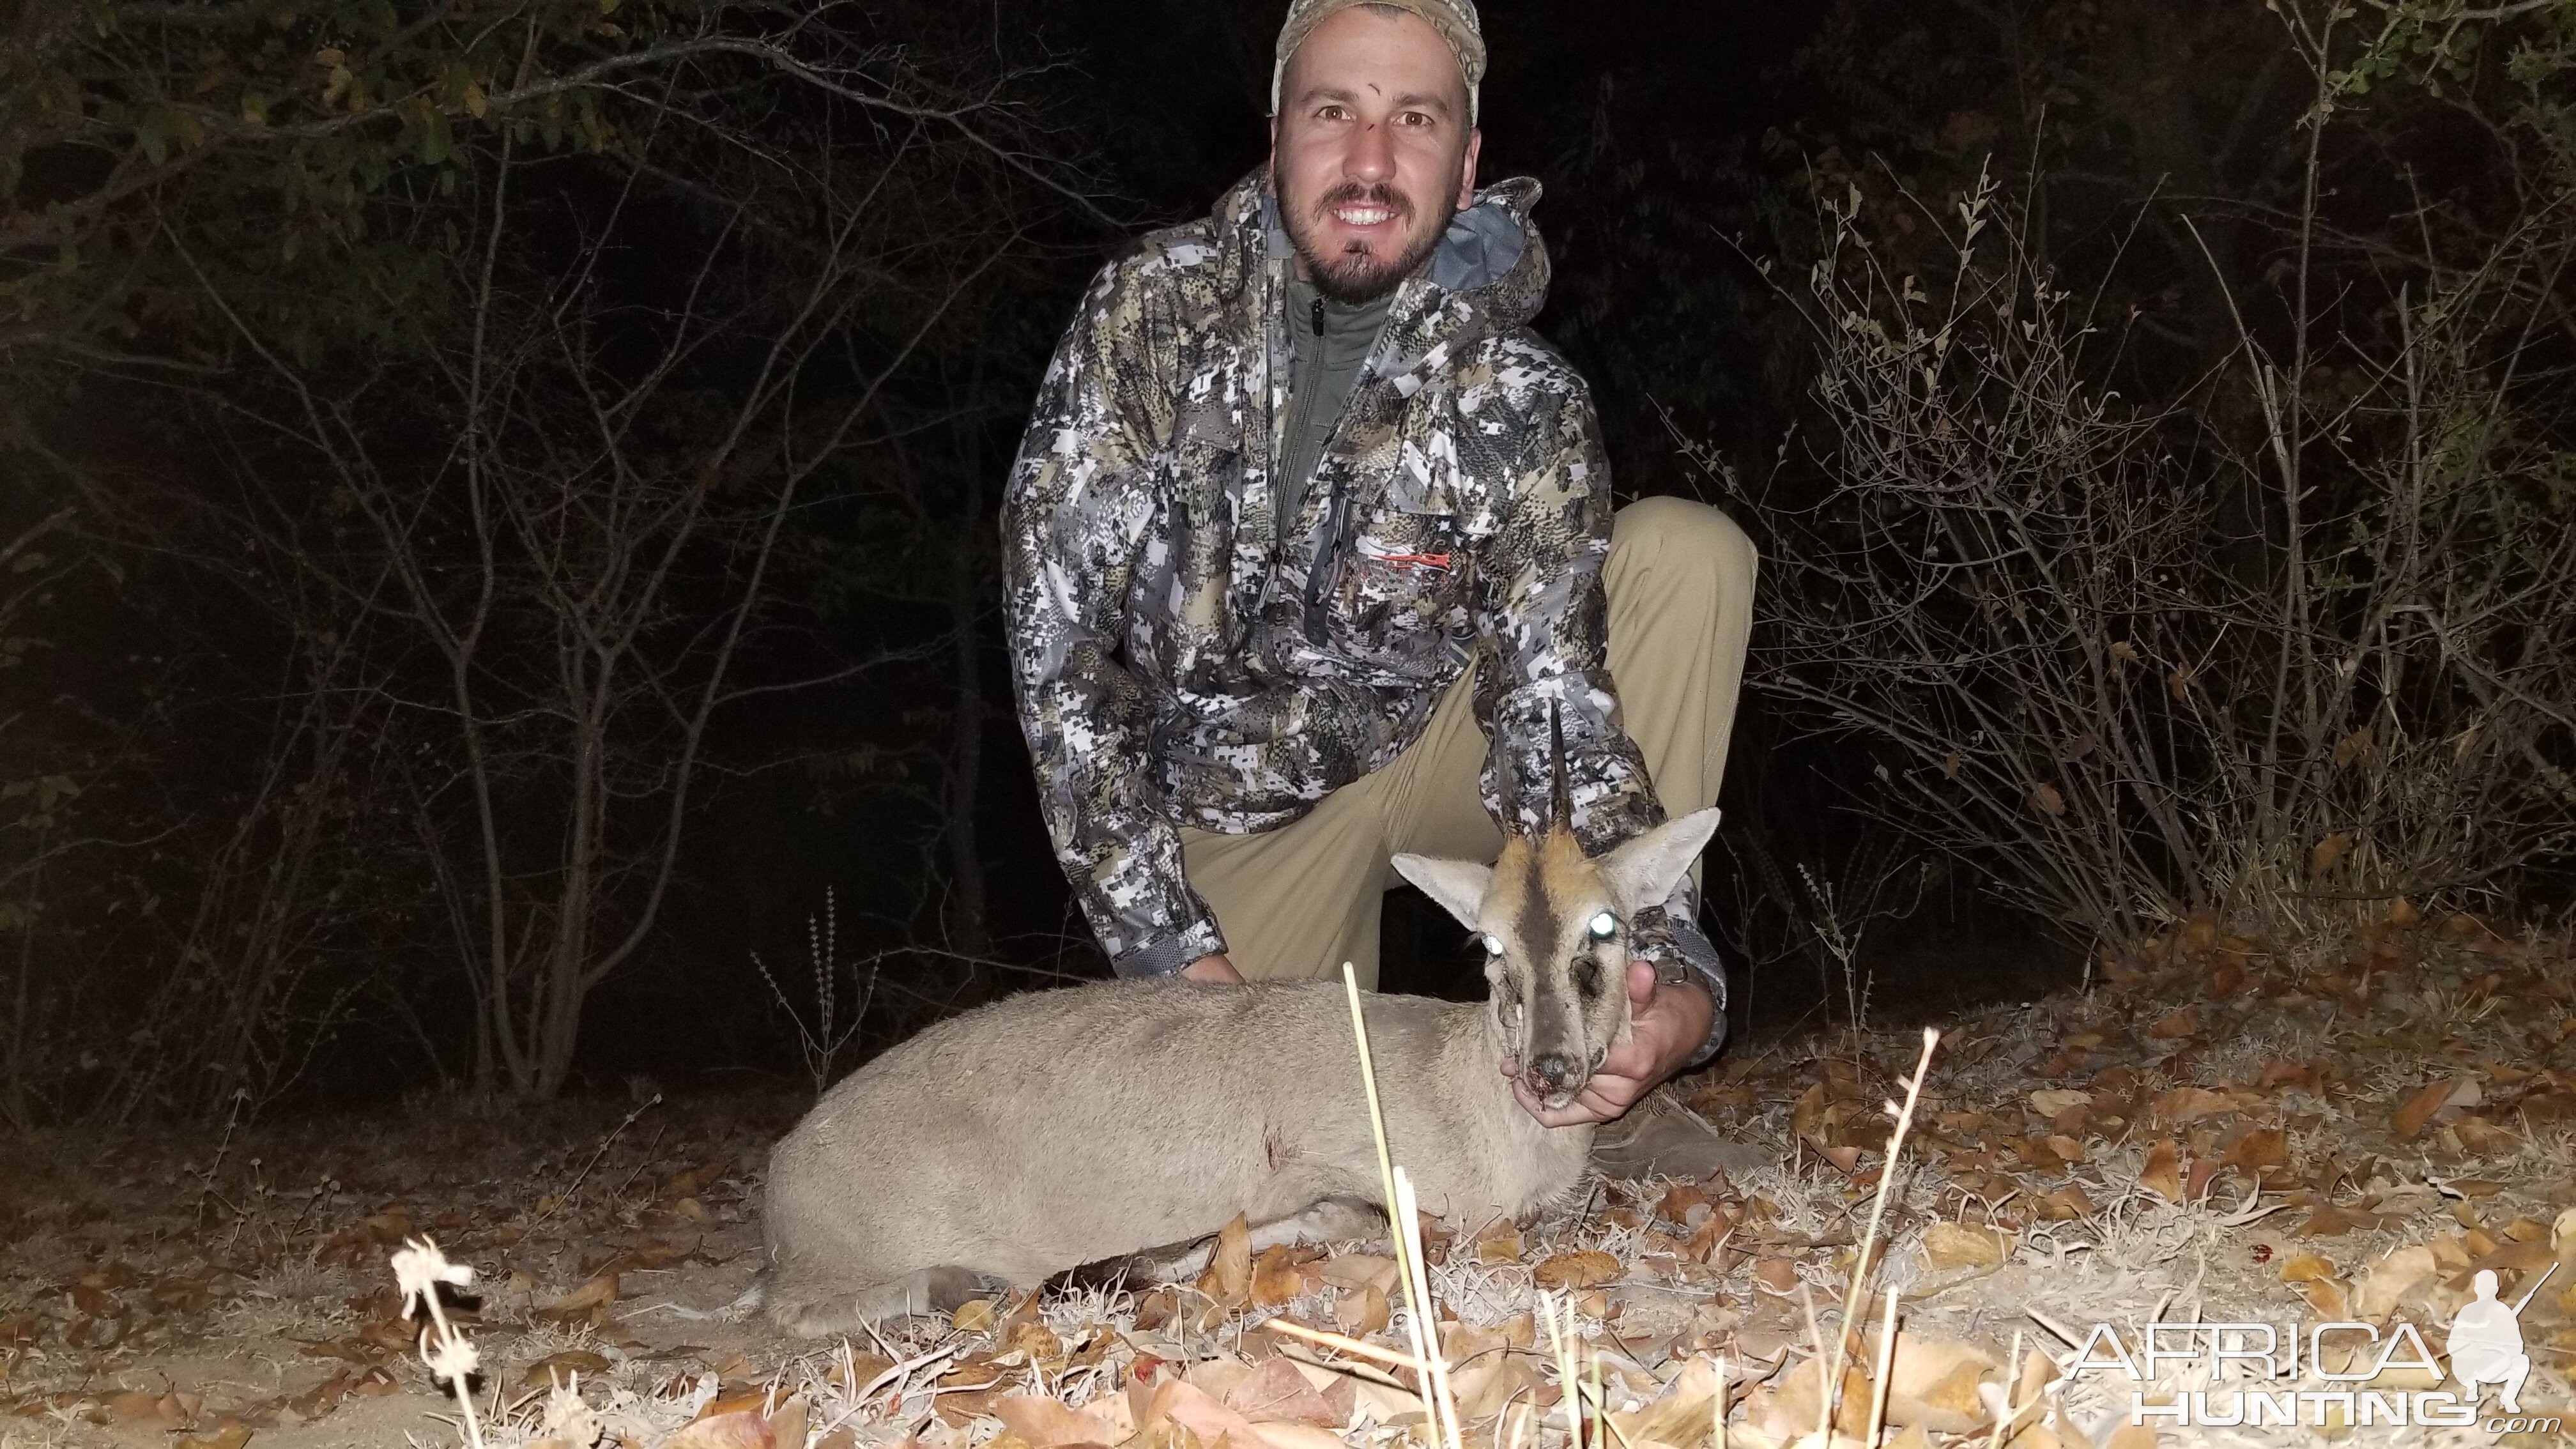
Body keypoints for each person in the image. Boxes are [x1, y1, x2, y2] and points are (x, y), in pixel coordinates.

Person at [999, 0, 1757, 1144]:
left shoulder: (1521, 397)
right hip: (1234, 809)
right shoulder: (1146, 318)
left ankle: (1601, 1052)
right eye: (1332, 111)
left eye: (1414, 118)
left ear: (1466, 165)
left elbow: (1555, 711)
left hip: (1445, 750)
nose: (1368, 159)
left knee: (1684, 551)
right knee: (1251, 1160)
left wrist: (1672, 982)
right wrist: (1174, 948)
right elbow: (1057, 656)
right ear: (1276, 138)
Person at [2448, 1269, 2533, 1414]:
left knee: (2523, 1361)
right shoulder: (2467, 1311)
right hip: (2471, 1367)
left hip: (2497, 1366)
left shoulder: (2504, 1312)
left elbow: (2517, 1346)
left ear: (2496, 1289)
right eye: (2482, 1287)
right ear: (2476, 1289)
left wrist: (2501, 1343)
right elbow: (2453, 1345)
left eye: (2489, 1287)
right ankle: (2471, 1389)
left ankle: (2508, 1398)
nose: (2486, 1291)